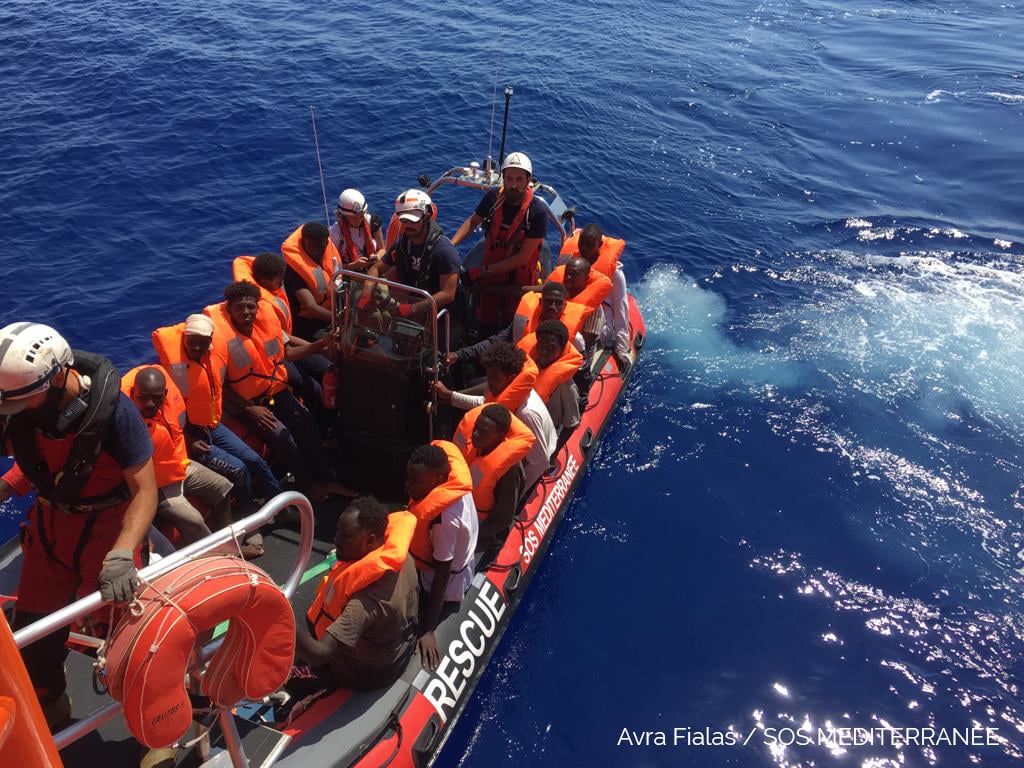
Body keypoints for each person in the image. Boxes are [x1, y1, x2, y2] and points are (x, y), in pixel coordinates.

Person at [0, 323, 156, 728]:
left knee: (134, 643)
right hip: (50, 536)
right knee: (33, 642)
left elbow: (144, 491)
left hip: (108, 534)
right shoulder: (20, 409)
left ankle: (157, 730)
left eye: (22, 402)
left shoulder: (116, 415)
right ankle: (55, 715)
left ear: (55, 378)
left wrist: (123, 553)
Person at [205, 281, 349, 502]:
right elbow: (219, 385)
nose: (246, 312)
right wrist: (250, 408)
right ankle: (307, 485)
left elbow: (288, 353)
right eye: (239, 307)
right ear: (230, 309)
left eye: (250, 307)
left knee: (307, 422)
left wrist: (319, 345)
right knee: (284, 438)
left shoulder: (266, 324)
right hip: (247, 403)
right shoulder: (221, 340)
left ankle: (327, 479)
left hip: (274, 391)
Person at [152, 314, 283, 506]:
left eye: (202, 342)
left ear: (210, 342)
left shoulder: (214, 357)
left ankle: (279, 504)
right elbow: (165, 417)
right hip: (192, 435)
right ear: (184, 339)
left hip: (212, 425)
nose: (196, 347)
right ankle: (246, 515)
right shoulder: (169, 371)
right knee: (239, 470)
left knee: (255, 460)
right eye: (192, 341)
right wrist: (189, 439)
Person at [295, 496, 419, 690]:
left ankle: (311, 683)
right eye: (337, 532)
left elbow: (320, 654)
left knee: (303, 668)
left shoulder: (364, 604)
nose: (336, 540)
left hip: (367, 673)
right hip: (394, 643)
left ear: (370, 540)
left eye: (345, 536)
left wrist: (279, 617)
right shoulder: (400, 555)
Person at [121, 365, 234, 548]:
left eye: (156, 398)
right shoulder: (124, 421)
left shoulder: (166, 407)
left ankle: (228, 540)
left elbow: (176, 433)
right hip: (155, 486)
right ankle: (220, 555)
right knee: (195, 521)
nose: (149, 404)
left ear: (165, 394)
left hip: (179, 467)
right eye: (143, 397)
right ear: (134, 392)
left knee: (224, 487)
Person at [434, 342, 555, 489]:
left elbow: (539, 462)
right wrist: (451, 396)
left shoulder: (527, 414)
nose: (490, 383)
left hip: (533, 458)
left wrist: (519, 498)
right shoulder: (502, 388)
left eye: (495, 379)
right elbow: (484, 404)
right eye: (488, 377)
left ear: (511, 378)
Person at [451, 152, 548, 335]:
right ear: (503, 177)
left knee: (513, 330)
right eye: (509, 178)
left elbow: (522, 258)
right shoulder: (493, 199)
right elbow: (472, 223)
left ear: (528, 180)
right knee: (485, 327)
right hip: (490, 276)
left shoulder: (537, 212)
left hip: (518, 284)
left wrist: (480, 272)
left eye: (519, 179)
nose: (513, 185)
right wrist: (450, 245)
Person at [404, 442, 477, 670]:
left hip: (443, 580)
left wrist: (429, 628)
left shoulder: (443, 521)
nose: (408, 485)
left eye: (414, 481)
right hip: (449, 556)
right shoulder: (451, 483)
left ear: (437, 481)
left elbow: (442, 573)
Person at [371, 189, 463, 346]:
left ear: (426, 216)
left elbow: (448, 294)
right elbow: (377, 268)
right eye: (404, 221)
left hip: (443, 315)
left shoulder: (444, 251)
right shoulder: (401, 244)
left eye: (413, 221)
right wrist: (367, 289)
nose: (408, 226)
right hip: (415, 308)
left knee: (439, 354)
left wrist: (411, 309)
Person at [452, 403, 534, 566]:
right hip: (459, 510)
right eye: (476, 427)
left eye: (483, 432)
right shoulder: (474, 446)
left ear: (499, 437)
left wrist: (472, 539)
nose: (475, 434)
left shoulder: (508, 472)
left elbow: (502, 519)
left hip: (480, 526)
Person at [450, 281, 584, 369]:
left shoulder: (575, 340)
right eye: (549, 301)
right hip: (519, 378)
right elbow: (494, 342)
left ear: (565, 305)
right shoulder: (523, 322)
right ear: (540, 301)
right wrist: (459, 354)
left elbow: (582, 373)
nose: (553, 307)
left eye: (558, 303)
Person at [561, 223, 631, 373]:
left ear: (599, 245)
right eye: (582, 243)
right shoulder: (572, 263)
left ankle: (581, 363)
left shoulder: (615, 275)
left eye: (590, 244)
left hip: (597, 325)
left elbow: (621, 311)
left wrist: (622, 350)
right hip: (570, 314)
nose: (584, 248)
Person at [517, 320, 582, 437]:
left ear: (561, 349)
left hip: (546, 433)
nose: (544, 350)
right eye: (541, 345)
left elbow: (571, 424)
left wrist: (554, 452)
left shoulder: (567, 387)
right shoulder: (526, 367)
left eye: (551, 347)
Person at [282, 222, 342, 339]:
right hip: (308, 323)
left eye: (320, 246)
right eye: (311, 246)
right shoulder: (294, 271)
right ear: (303, 243)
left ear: (326, 243)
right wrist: (340, 320)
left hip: (334, 311)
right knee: (337, 342)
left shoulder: (330, 258)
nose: (315, 251)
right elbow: (311, 306)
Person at [329, 189, 385, 273]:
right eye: (354, 218)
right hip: (350, 275)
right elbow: (333, 265)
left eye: (361, 216)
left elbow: (382, 249)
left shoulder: (373, 223)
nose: (359, 220)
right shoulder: (334, 232)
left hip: (374, 270)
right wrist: (354, 265)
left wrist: (377, 256)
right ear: (345, 216)